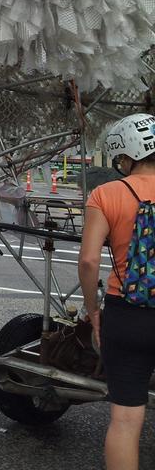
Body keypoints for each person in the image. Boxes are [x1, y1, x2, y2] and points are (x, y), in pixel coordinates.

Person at [79, 113, 155, 470]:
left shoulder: (106, 193)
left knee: (125, 422)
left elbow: (90, 261)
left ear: (128, 154)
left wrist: (93, 312)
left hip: (126, 314)